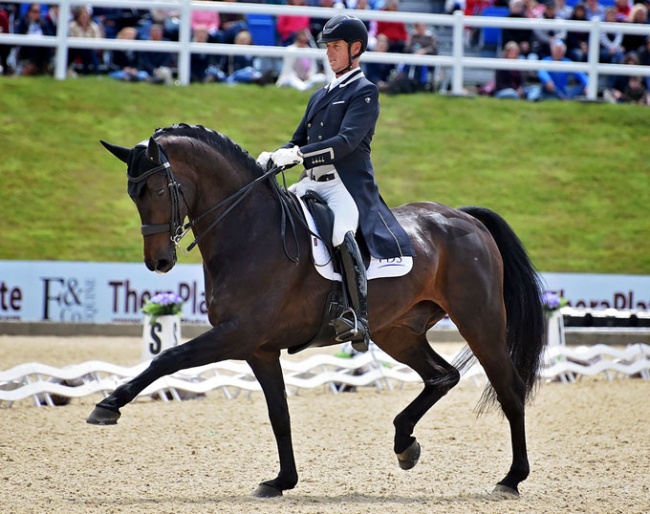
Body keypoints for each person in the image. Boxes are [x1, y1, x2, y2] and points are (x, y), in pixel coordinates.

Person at [256, 15, 415, 351]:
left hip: (345, 186)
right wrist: (275, 155)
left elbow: (346, 141)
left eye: (335, 47)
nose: (328, 53)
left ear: (355, 49)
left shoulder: (365, 91)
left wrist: (298, 155)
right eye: (327, 47)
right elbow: (297, 138)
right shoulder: (319, 95)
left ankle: (357, 318)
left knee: (339, 233)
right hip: (311, 183)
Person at [14, 3, 55, 75]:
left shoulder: (43, 23)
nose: (36, 14)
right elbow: (17, 34)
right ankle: (32, 66)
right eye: (34, 11)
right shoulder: (24, 21)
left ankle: (42, 67)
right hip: (26, 49)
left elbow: (50, 36)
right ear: (29, 12)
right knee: (34, 43)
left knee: (42, 45)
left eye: (38, 12)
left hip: (41, 50)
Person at [68, 5, 104, 75]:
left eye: (86, 16)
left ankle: (96, 73)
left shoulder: (94, 26)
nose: (85, 18)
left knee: (89, 51)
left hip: (91, 48)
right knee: (84, 50)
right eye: (82, 16)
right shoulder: (73, 25)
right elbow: (72, 37)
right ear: (78, 17)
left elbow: (98, 39)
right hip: (75, 48)